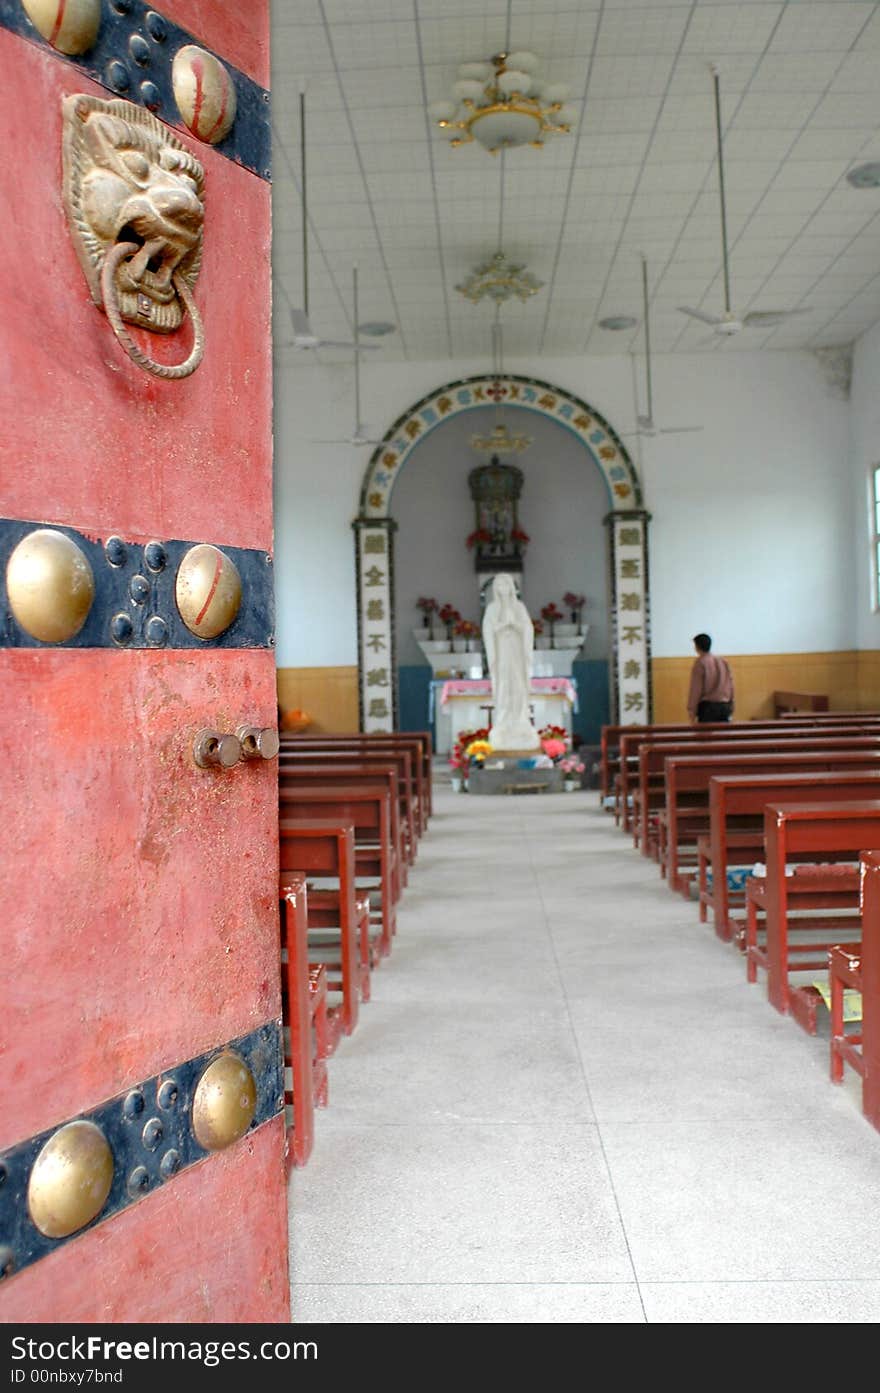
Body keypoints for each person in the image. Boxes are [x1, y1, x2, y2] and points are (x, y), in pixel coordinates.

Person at [482, 574, 540, 751]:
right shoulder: (492, 609)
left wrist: (514, 624)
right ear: (495, 589)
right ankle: (504, 719)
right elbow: (488, 631)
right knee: (504, 684)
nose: (503, 588)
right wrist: (501, 626)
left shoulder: (519, 607)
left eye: (506, 584)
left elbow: (527, 629)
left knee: (518, 684)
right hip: (501, 653)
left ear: (511, 587)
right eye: (499, 585)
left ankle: (520, 718)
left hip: (517, 653)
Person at [687, 633, 734, 723]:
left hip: (708, 709)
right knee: (723, 735)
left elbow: (696, 689)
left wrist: (691, 709)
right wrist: (731, 702)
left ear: (697, 646)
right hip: (724, 706)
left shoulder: (700, 663)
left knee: (706, 736)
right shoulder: (723, 661)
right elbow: (730, 684)